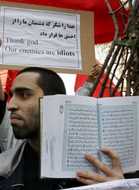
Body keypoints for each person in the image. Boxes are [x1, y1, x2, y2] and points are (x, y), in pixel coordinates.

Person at [0, 66, 124, 189]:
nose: (11, 105)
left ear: (56, 102)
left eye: (25, 95)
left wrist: (121, 187)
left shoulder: (103, 167)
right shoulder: (4, 170)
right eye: (12, 95)